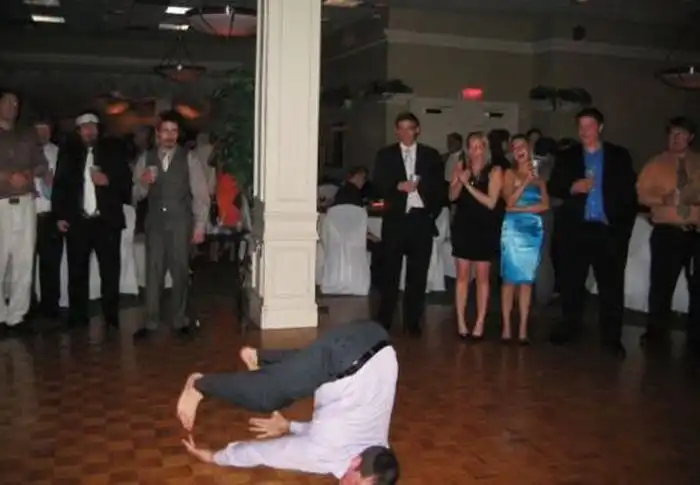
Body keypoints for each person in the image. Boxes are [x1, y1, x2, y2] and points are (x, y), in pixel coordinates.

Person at [176, 320, 399, 483]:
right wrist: (216, 457)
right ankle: (199, 385)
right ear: (355, 463)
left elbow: (329, 433)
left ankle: (260, 358)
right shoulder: (326, 456)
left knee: (309, 368)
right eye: (355, 484)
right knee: (267, 397)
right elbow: (264, 452)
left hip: (377, 340)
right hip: (344, 358)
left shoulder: (378, 445)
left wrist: (289, 426)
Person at [547, 107, 637, 357]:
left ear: (600, 127)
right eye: (581, 126)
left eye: (589, 125)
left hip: (608, 230)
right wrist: (572, 188)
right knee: (571, 283)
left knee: (611, 286)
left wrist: (621, 229)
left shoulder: (619, 156)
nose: (584, 131)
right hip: (576, 230)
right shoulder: (568, 156)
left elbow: (629, 195)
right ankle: (569, 327)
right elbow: (554, 186)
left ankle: (612, 338)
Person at [132, 110, 210, 339]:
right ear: (158, 133)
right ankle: (151, 322)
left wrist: (200, 226)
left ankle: (179, 320)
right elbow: (135, 194)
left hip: (181, 223)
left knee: (180, 272)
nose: (169, 135)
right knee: (153, 273)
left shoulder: (189, 158)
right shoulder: (145, 158)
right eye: (165, 130)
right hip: (155, 223)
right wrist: (143, 183)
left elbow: (201, 194)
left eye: (173, 131)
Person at [52, 112, 131, 330]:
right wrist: (59, 216)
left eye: (93, 127)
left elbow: (127, 183)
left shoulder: (112, 152)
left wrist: (108, 180)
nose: (89, 131)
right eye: (85, 127)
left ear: (98, 129)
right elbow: (59, 186)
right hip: (78, 221)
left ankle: (111, 315)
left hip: (106, 221)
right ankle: (78, 316)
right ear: (78, 131)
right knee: (77, 271)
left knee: (110, 271)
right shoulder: (68, 154)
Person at [372, 112, 443, 336]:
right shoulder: (385, 155)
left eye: (409, 128)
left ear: (417, 129)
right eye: (401, 128)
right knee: (390, 273)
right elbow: (377, 186)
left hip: (420, 219)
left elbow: (439, 188)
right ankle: (384, 320)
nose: (405, 132)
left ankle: (412, 322)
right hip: (395, 219)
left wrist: (430, 212)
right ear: (396, 131)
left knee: (418, 275)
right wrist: (397, 186)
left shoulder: (430, 155)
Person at [636, 116, 700, 352]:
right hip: (667, 233)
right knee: (661, 285)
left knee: (697, 288)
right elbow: (641, 194)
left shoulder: (698, 163)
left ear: (690, 137)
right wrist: (664, 199)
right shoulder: (656, 164)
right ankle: (656, 333)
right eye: (672, 134)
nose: (675, 139)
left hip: (695, 234)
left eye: (681, 134)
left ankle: (696, 337)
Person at [0, 89, 49, 338]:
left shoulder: (27, 134)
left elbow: (42, 164)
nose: (13, 106)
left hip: (26, 203)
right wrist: (8, 176)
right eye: (8, 102)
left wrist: (29, 174)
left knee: (24, 261)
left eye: (16, 103)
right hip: (1, 204)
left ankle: (17, 316)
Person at [449, 132, 504, 340]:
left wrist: (468, 184)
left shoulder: (495, 170)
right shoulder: (462, 167)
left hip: (485, 228)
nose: (475, 151)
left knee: (482, 277)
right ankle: (461, 322)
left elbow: (491, 202)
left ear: (485, 148)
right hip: (463, 226)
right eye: (471, 147)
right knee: (462, 276)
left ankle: (480, 321)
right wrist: (458, 181)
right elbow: (451, 196)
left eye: (479, 146)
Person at [500, 135, 549, 343]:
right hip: (512, 230)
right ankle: (506, 328)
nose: (518, 149)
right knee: (509, 280)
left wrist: (521, 208)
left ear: (529, 148)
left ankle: (522, 329)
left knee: (527, 281)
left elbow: (545, 205)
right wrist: (525, 182)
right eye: (514, 147)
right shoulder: (510, 173)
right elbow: (508, 202)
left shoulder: (540, 179)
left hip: (533, 231)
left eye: (522, 145)